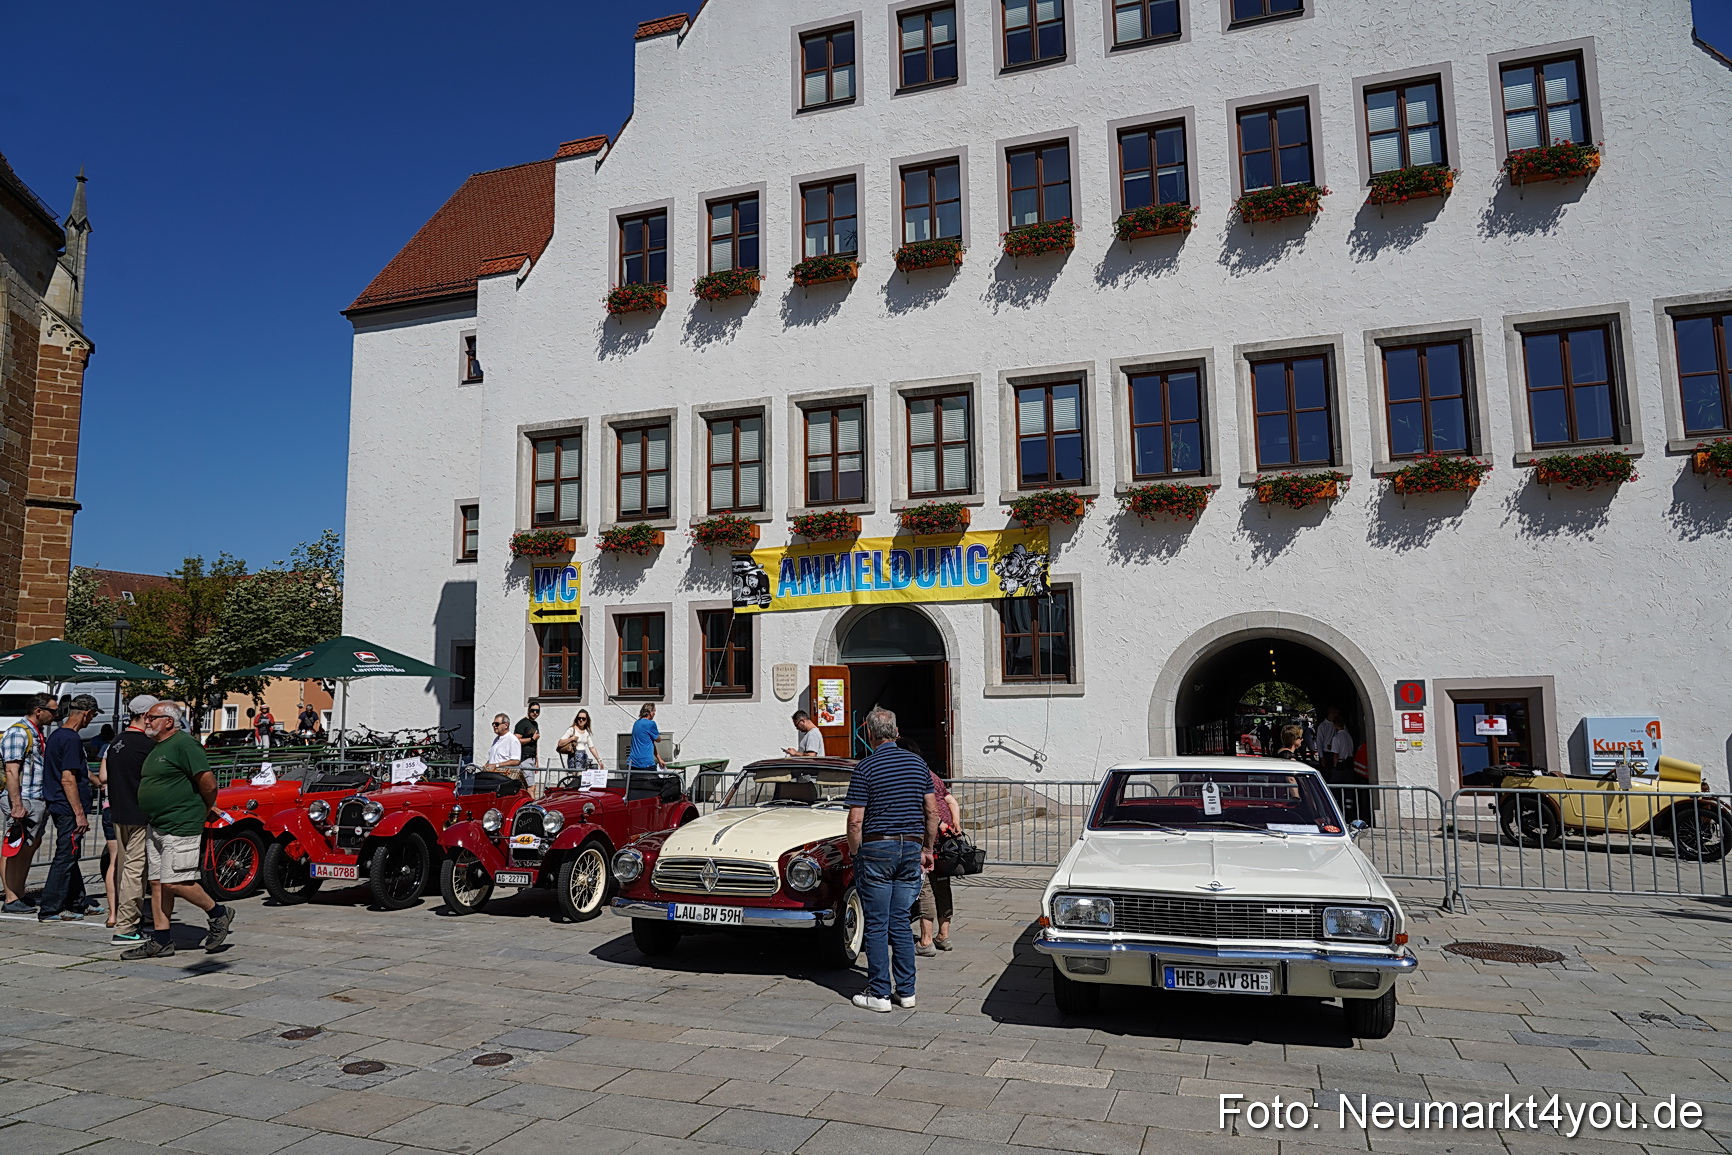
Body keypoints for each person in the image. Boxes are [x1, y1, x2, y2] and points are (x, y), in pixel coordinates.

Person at [843, 707, 937, 1013]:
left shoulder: (866, 767)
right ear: (896, 732)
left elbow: (855, 821)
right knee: (900, 920)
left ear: (870, 734)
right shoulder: (918, 764)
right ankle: (907, 991)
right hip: (910, 848)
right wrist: (928, 849)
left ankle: (880, 993)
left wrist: (855, 852)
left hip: (876, 848)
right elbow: (932, 812)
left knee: (876, 923)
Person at [124, 702, 234, 959]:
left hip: (180, 824)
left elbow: (208, 782)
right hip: (158, 824)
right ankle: (161, 940)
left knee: (175, 881)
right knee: (157, 882)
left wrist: (204, 808)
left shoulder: (185, 744)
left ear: (169, 722)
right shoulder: (159, 746)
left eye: (151, 717)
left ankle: (218, 913)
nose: (146, 721)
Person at [37, 694, 102, 922]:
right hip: (67, 808)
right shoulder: (72, 739)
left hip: (59, 804)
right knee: (65, 856)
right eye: (92, 716)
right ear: (86, 714)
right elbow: (68, 779)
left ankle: (77, 901)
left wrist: (98, 782)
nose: (91, 720)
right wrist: (79, 814)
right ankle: (51, 908)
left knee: (71, 854)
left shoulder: (57, 735)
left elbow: (78, 770)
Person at [100, 695, 158, 944]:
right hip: (138, 815)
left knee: (126, 870)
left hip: (118, 813)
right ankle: (126, 926)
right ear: (145, 716)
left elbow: (104, 777)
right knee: (135, 872)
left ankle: (126, 918)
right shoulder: (146, 744)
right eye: (153, 716)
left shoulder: (116, 742)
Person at [2, 692, 58, 913]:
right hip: (23, 798)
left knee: (28, 847)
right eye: (53, 711)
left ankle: (19, 893)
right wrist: (17, 804)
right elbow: (11, 770)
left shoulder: (36, 732)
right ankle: (10, 897)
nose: (56, 715)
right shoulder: (18, 732)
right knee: (13, 848)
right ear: (39, 711)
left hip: (35, 798)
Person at [913, 769, 963, 956]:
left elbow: (926, 808)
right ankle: (943, 936)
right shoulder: (933, 776)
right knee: (942, 886)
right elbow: (952, 801)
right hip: (945, 841)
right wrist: (955, 823)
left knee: (925, 887)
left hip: (929, 839)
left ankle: (926, 941)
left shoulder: (914, 775)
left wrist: (941, 824)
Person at [482, 714, 524, 780]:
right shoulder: (496, 740)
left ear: (506, 725)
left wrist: (496, 765)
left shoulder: (512, 740)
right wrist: (487, 765)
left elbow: (515, 761)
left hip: (504, 777)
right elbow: (494, 758)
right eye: (493, 724)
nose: (494, 726)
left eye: (497, 724)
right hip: (491, 776)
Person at [628, 704, 665, 772]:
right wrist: (656, 732)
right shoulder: (651, 724)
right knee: (653, 779)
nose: (654, 714)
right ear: (650, 713)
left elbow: (649, 743)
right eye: (654, 712)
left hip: (633, 763)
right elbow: (658, 740)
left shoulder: (636, 723)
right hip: (646, 763)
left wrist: (659, 759)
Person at [515, 702, 542, 780]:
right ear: (528, 710)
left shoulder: (535, 724)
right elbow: (516, 741)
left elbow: (535, 743)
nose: (535, 713)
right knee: (531, 785)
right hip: (524, 758)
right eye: (532, 710)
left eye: (537, 711)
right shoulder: (522, 723)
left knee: (528, 784)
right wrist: (532, 739)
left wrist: (536, 761)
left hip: (532, 758)